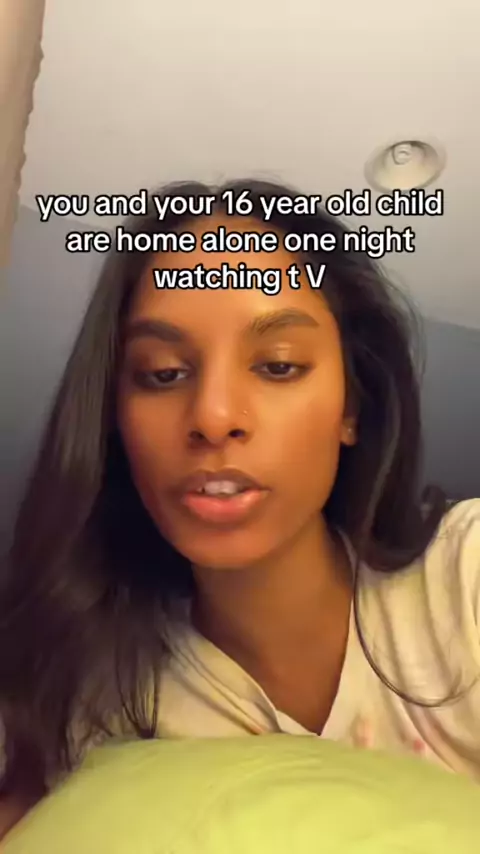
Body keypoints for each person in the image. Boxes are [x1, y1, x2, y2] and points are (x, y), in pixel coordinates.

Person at [0, 179, 479, 837]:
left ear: (353, 406)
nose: (213, 415)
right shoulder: (93, 706)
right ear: (114, 420)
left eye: (278, 365)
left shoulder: (465, 581)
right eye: (163, 373)